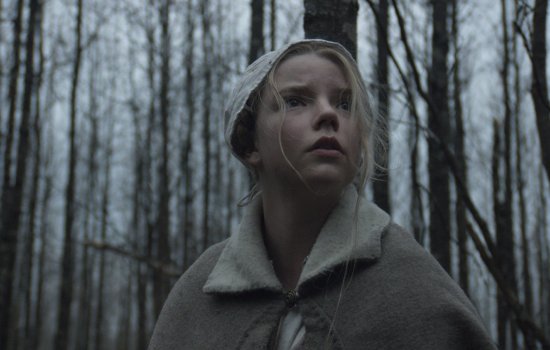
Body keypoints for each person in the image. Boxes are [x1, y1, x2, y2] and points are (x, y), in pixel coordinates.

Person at [148, 39, 497, 349]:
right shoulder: (199, 296)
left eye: (345, 104)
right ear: (249, 141)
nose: (329, 114)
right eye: (296, 101)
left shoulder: (414, 288)